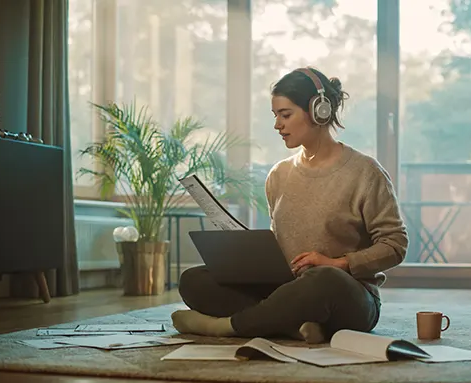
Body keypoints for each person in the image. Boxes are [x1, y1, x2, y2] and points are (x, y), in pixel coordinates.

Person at [171, 66, 409, 343]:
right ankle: (292, 327)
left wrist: (337, 263)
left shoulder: (365, 172)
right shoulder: (278, 175)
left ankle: (229, 326)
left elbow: (395, 245)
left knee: (323, 280)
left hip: (346, 296)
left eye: (285, 115)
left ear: (319, 110)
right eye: (275, 116)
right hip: (287, 290)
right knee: (194, 280)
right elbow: (281, 243)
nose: (277, 125)